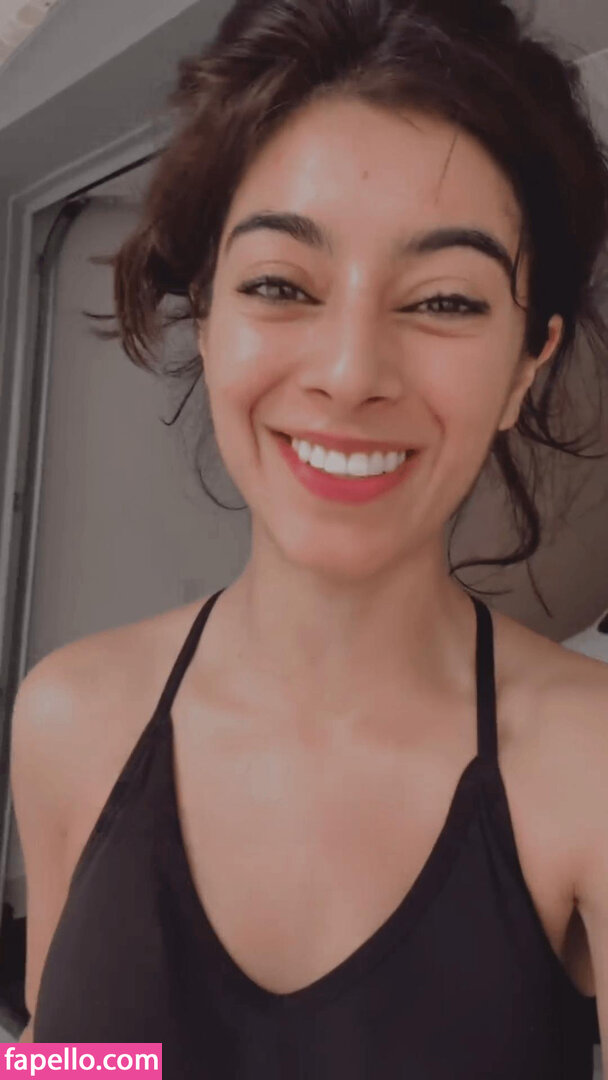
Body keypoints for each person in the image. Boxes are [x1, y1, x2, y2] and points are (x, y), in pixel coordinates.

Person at [10, 0, 608, 1075]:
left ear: (528, 364)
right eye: (280, 285)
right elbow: (67, 1063)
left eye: (443, 301)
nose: (349, 372)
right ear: (208, 318)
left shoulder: (588, 765)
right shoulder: (67, 717)